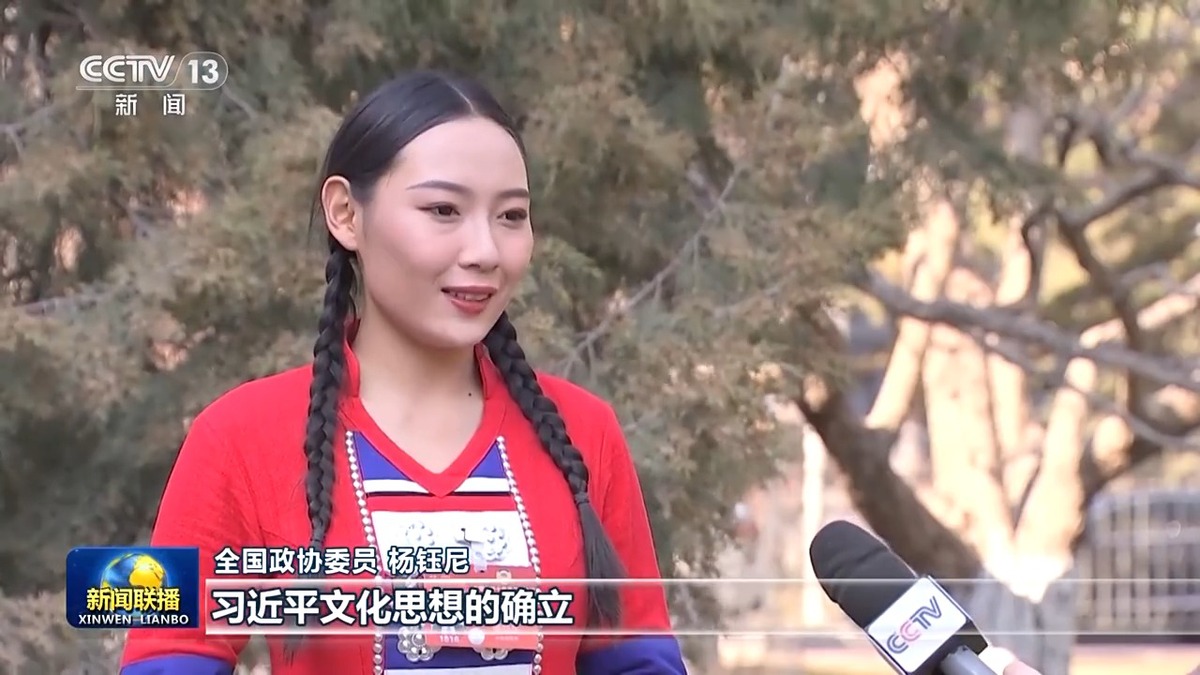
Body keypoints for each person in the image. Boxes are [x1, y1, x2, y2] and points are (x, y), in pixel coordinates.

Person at [120, 70, 688, 675]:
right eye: (443, 210)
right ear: (346, 213)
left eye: (511, 216)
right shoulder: (239, 437)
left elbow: (639, 660)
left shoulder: (583, 432)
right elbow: (166, 660)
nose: (485, 251)